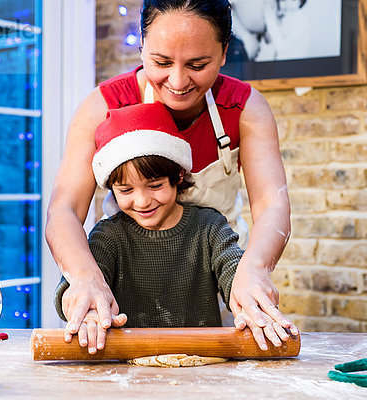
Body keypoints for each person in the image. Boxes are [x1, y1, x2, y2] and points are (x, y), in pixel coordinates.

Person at [45, 0, 295, 352]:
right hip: (119, 309)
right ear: (142, 44)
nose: (177, 81)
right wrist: (85, 278)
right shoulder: (103, 106)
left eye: (198, 64)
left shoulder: (244, 108)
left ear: (224, 52)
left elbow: (271, 204)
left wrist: (253, 271)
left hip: (211, 302)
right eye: (161, 62)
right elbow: (63, 211)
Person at [54, 102, 259, 353]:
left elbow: (235, 274)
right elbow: (73, 289)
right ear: (111, 189)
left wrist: (251, 300)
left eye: (154, 186)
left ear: (179, 176)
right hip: (126, 370)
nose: (142, 202)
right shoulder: (109, 236)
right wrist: (86, 311)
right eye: (126, 190)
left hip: (201, 366)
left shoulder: (209, 228)